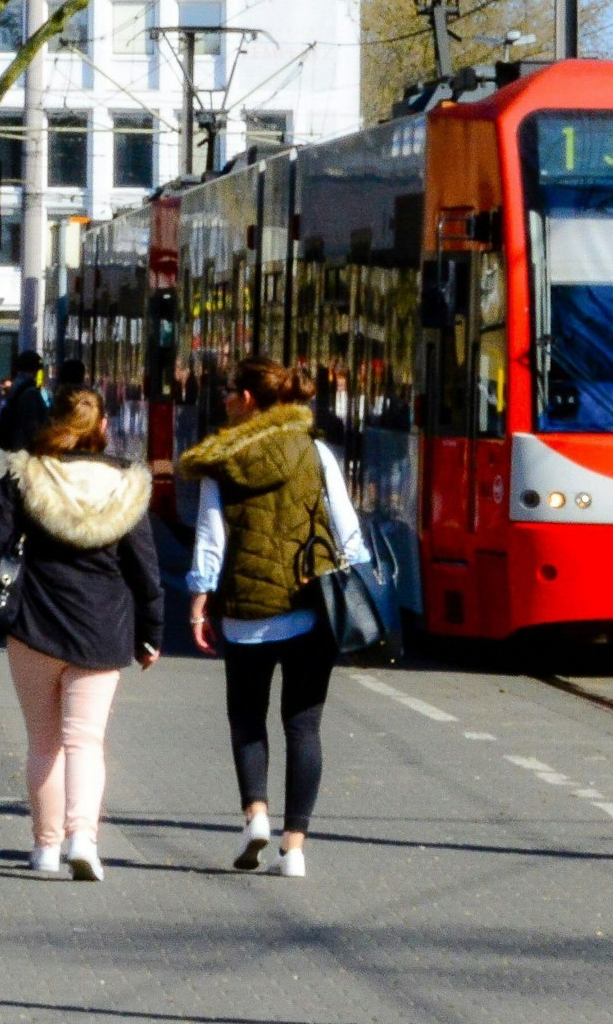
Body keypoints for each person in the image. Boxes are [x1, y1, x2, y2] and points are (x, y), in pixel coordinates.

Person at [180, 357, 368, 879]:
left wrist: (199, 597)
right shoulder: (316, 451)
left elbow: (211, 539)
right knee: (304, 726)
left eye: (227, 391)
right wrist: (355, 588)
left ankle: (255, 817)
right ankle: (295, 849)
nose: (221, 399)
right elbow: (347, 530)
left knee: (247, 716)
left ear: (248, 399)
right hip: (311, 606)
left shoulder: (223, 461)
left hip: (246, 609)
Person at [0, 386, 163, 881]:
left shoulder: (29, 473)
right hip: (102, 633)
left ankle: (45, 848)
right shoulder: (127, 486)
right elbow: (145, 573)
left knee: (42, 742)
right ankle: (84, 839)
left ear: (53, 422)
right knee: (86, 741)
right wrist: (151, 634)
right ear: (103, 428)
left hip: (33, 627)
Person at [0, 351, 52, 455]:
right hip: (25, 449)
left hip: (16, 445)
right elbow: (32, 425)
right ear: (35, 369)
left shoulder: (16, 386)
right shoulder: (29, 391)